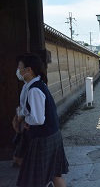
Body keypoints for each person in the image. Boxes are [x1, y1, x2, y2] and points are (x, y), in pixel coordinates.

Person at [15, 54, 69, 186]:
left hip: (44, 137)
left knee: (41, 177)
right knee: (55, 174)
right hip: (50, 134)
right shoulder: (33, 85)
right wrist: (22, 117)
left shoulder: (34, 89)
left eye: (19, 67)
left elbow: (38, 119)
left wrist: (25, 119)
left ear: (29, 70)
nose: (18, 70)